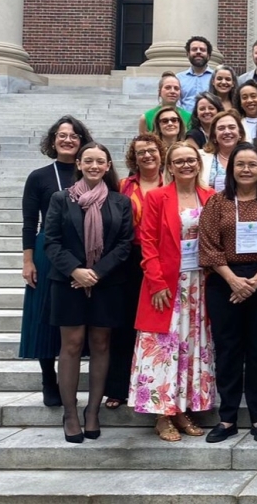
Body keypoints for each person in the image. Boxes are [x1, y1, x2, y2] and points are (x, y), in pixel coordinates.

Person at [44, 142, 134, 443]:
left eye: (101, 161)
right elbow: (51, 241)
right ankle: (70, 412)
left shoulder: (120, 202)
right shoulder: (60, 199)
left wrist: (96, 273)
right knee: (70, 345)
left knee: (101, 343)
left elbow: (124, 244)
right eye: (89, 161)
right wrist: (76, 271)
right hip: (67, 282)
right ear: (79, 164)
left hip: (106, 283)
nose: (95, 166)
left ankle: (93, 411)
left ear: (108, 166)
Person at [198, 142, 257, 443]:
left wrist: (255, 282)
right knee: (228, 350)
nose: (246, 170)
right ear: (231, 169)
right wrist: (233, 280)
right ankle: (228, 418)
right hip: (225, 281)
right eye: (240, 164)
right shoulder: (217, 202)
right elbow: (208, 245)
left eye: (252, 164)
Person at [129, 142, 216, 441]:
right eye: (179, 161)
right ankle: (161, 415)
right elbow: (148, 241)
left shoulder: (210, 196)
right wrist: (156, 282)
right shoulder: (156, 197)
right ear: (170, 166)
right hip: (166, 284)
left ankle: (181, 410)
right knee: (164, 349)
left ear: (198, 163)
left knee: (190, 349)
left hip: (199, 284)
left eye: (190, 160)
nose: (186, 165)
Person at [20, 117, 94, 408]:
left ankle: (75, 377)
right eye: (62, 135)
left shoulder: (88, 171)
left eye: (74, 135)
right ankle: (48, 379)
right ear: (53, 141)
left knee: (78, 317)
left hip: (83, 252)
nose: (68, 140)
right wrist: (28, 261)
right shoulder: (39, 177)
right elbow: (28, 223)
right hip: (47, 251)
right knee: (44, 316)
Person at [106, 134, 166, 412]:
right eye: (141, 152)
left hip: (162, 260)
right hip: (128, 259)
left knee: (156, 327)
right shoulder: (122, 187)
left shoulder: (173, 183)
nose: (147, 156)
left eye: (151, 150)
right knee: (123, 324)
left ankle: (156, 384)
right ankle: (118, 388)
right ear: (134, 157)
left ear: (160, 153)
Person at [200, 110, 245, 193]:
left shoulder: (251, 157)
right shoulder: (200, 158)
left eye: (232, 127)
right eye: (221, 128)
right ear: (214, 136)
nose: (227, 132)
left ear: (240, 134)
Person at [176, 35, 214, 112]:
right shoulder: (178, 78)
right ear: (188, 54)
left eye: (202, 50)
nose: (198, 52)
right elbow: (176, 103)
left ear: (209, 55)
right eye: (194, 49)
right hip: (185, 121)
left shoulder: (216, 77)